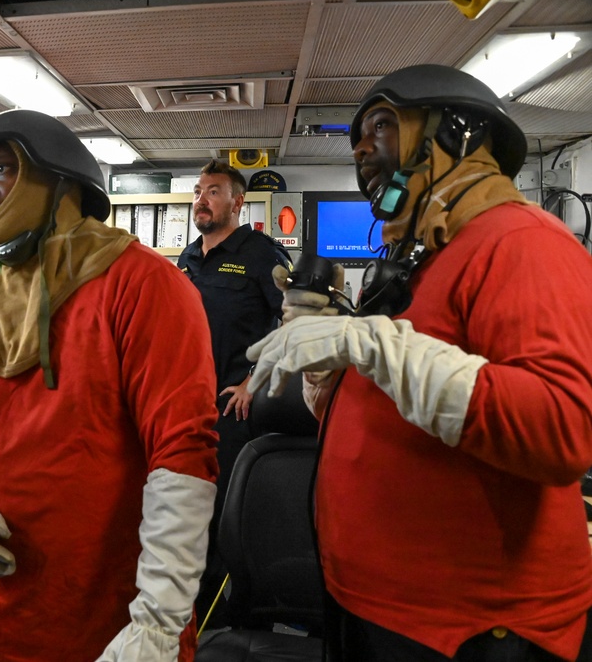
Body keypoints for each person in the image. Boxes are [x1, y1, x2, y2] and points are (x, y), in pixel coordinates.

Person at [245, 64, 592, 661]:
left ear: (455, 133)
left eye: (381, 125)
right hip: (378, 606)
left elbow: (561, 430)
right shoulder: (430, 257)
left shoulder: (520, 240)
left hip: (467, 625)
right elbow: (399, 402)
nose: (360, 147)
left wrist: (373, 345)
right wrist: (328, 372)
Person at [0, 109, 219, 662]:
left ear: (57, 181)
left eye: (2, 168)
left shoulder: (143, 285)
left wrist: (157, 619)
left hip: (112, 630)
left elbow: (182, 456)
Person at [176, 160, 291, 622]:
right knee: (187, 509)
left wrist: (254, 379)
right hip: (186, 409)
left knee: (226, 518)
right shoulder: (187, 257)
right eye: (199, 191)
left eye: (214, 192)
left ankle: (228, 618)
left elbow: (296, 322)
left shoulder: (262, 254)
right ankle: (190, 609)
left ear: (237, 202)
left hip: (233, 413)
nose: (202, 200)